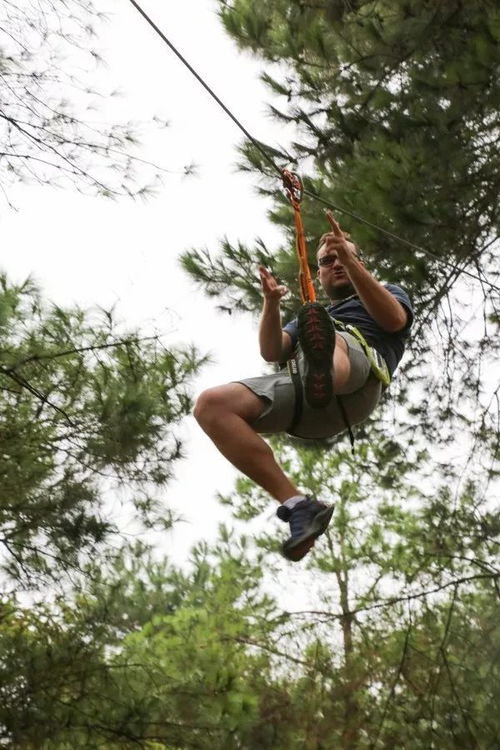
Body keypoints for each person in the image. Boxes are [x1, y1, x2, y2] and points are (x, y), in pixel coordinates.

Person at [194, 213, 413, 562]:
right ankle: (298, 505)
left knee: (331, 336)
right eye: (327, 261)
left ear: (359, 262)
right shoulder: (310, 318)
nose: (336, 263)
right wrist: (271, 304)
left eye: (343, 256)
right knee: (212, 406)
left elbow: (394, 320)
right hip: (309, 405)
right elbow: (272, 351)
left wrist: (351, 262)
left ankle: (323, 370)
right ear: (319, 274)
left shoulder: (388, 293)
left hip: (359, 381)